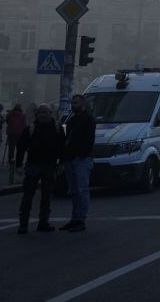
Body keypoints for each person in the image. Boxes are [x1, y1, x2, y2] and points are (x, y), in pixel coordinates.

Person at [15, 104, 64, 234]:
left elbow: (62, 147)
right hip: (33, 165)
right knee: (28, 195)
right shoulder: (30, 128)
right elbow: (21, 147)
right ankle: (23, 224)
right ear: (37, 114)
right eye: (40, 112)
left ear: (50, 113)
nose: (42, 114)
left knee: (46, 196)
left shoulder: (57, 128)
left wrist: (61, 164)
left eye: (45, 112)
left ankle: (43, 222)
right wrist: (19, 165)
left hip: (49, 165)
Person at [60, 94, 95, 233]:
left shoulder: (88, 119)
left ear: (83, 104)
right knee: (74, 191)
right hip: (70, 159)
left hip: (81, 159)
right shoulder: (72, 119)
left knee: (81, 190)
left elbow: (88, 141)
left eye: (75, 103)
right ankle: (74, 219)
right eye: (72, 103)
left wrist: (80, 154)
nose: (73, 105)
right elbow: (67, 139)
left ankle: (81, 220)